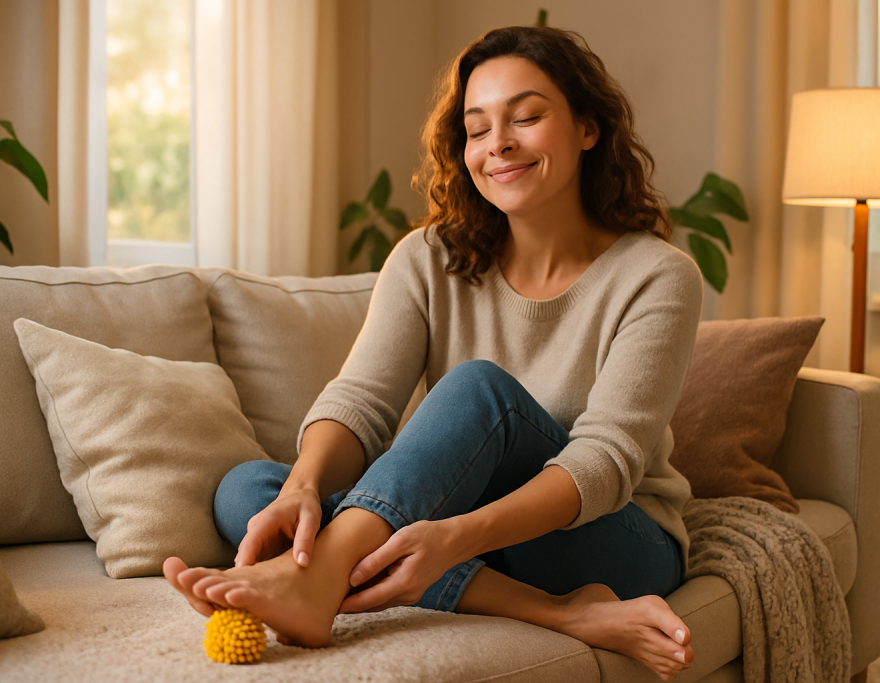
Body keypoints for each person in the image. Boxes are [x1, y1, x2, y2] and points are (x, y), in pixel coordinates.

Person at [164, 24, 703, 681]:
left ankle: (321, 578)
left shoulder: (658, 275)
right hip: (471, 536)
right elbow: (360, 401)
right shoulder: (426, 258)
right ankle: (562, 614)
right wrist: (305, 488)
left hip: (607, 536)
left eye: (527, 117)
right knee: (250, 491)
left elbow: (606, 462)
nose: (498, 143)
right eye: (477, 129)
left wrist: (454, 535)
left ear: (589, 127)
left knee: (481, 393)